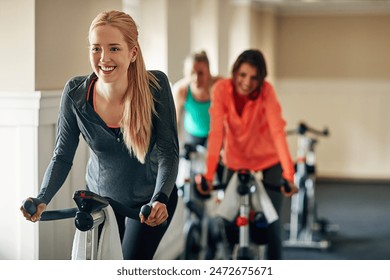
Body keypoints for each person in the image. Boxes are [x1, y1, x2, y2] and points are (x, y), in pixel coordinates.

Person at [20, 10, 179, 260]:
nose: (103, 58)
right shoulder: (75, 93)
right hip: (101, 201)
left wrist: (160, 199)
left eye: (114, 48)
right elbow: (62, 155)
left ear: (133, 52)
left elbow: (168, 151)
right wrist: (42, 197)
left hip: (149, 202)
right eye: (96, 48)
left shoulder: (156, 86)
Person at [198, 49, 298, 260]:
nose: (246, 82)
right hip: (235, 160)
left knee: (272, 223)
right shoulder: (221, 90)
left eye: (254, 77)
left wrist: (289, 175)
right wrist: (208, 175)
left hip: (268, 159)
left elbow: (277, 132)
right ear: (235, 73)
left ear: (261, 79)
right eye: (242, 75)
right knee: (227, 218)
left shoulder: (266, 92)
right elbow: (216, 133)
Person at [172, 50, 221, 147]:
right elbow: (175, 122)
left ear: (209, 72)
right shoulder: (181, 90)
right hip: (193, 134)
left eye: (201, 73)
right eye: (192, 73)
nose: (196, 78)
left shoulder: (219, 85)